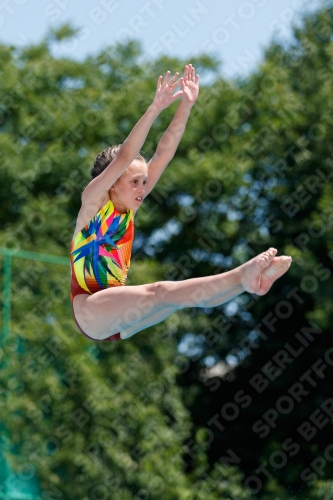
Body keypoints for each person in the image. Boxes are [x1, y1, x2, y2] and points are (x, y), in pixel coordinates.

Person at [69, 64, 292, 342]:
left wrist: (185, 105)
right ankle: (241, 275)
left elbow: (163, 152)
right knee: (161, 291)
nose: (142, 188)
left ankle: (249, 283)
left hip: (117, 319)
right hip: (90, 309)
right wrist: (155, 108)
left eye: (144, 181)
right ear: (111, 182)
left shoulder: (128, 209)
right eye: (134, 182)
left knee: (175, 299)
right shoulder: (92, 204)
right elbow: (125, 157)